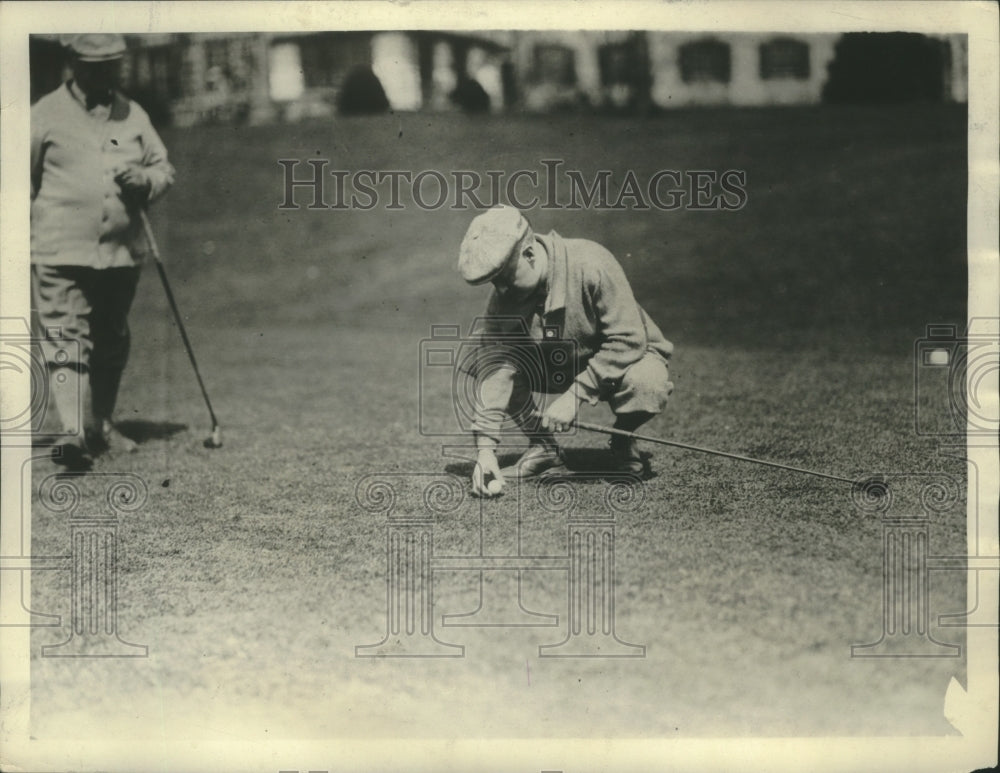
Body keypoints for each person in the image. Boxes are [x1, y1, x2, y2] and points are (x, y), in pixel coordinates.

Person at [456, 205, 674, 498]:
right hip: (556, 362)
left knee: (648, 381)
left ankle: (623, 439)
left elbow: (628, 339)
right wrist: (485, 452)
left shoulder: (591, 262)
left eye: (504, 278)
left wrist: (575, 395)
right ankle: (544, 448)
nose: (501, 291)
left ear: (529, 254)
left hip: (618, 361)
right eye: (495, 282)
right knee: (481, 350)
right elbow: (497, 368)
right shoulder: (505, 298)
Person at [31, 33, 175, 470]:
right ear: (74, 64)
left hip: (120, 252)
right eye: (95, 64)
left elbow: (163, 166)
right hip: (60, 250)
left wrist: (145, 181)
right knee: (65, 336)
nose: (105, 73)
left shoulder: (133, 114)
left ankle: (103, 424)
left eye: (112, 64)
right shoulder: (44, 114)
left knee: (111, 338)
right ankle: (74, 433)